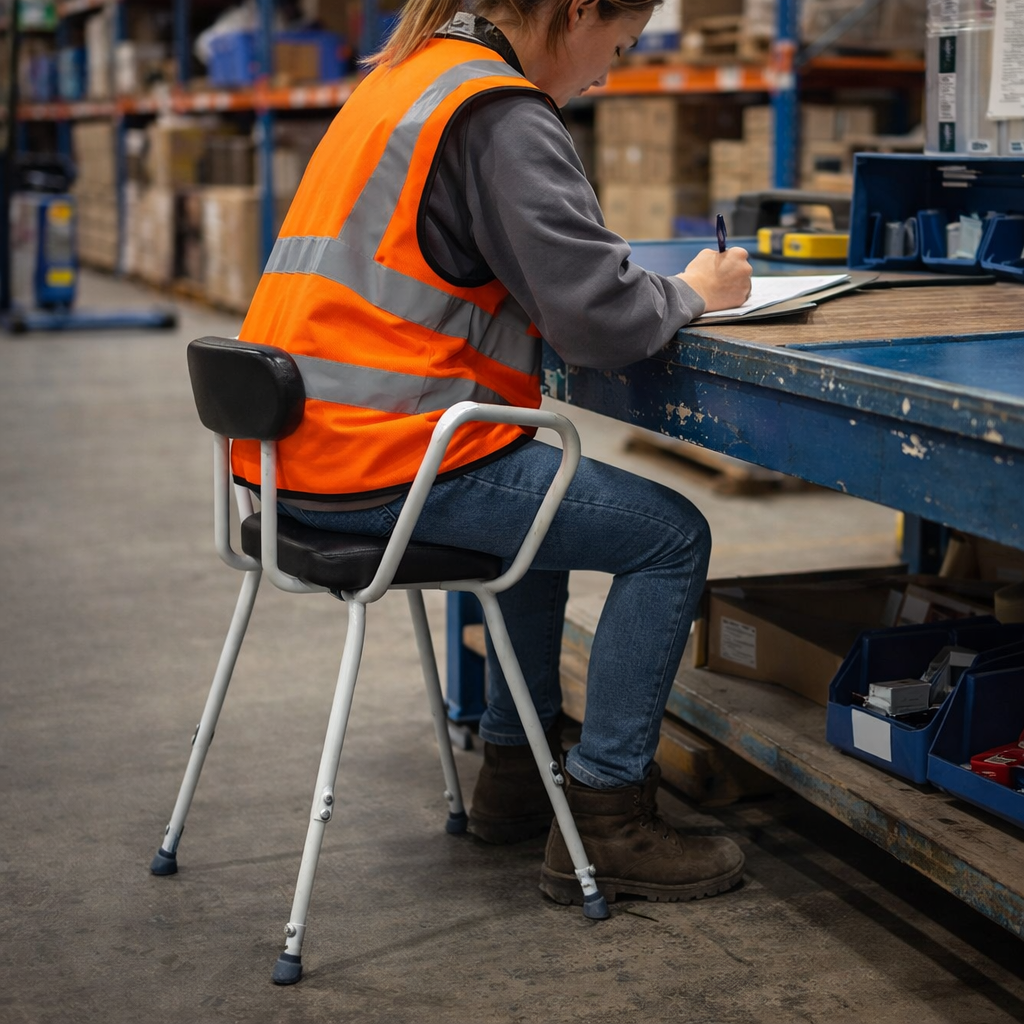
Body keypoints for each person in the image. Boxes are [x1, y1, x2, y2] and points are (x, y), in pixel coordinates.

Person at [231, 0, 752, 906]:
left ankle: (515, 775)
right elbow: (599, 320)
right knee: (670, 537)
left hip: (285, 465)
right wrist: (696, 292)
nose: (604, 76)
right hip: (384, 466)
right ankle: (607, 816)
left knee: (540, 507)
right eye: (616, 48)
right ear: (577, 12)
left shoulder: (401, 78)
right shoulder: (499, 112)